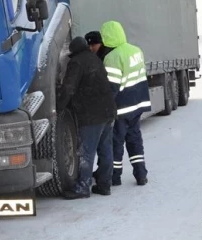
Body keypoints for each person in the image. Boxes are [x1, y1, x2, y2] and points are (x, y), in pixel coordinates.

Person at [56, 36, 117, 199]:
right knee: (105, 149)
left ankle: (83, 187)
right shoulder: (95, 59)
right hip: (108, 111)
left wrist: (58, 108)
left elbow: (68, 88)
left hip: (91, 114)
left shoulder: (76, 62)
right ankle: (104, 185)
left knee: (86, 152)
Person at [100, 21, 151, 186]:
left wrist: (106, 107)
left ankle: (115, 176)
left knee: (117, 142)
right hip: (138, 103)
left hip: (122, 107)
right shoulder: (136, 50)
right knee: (135, 139)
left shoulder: (112, 57)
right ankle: (141, 174)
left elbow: (112, 87)